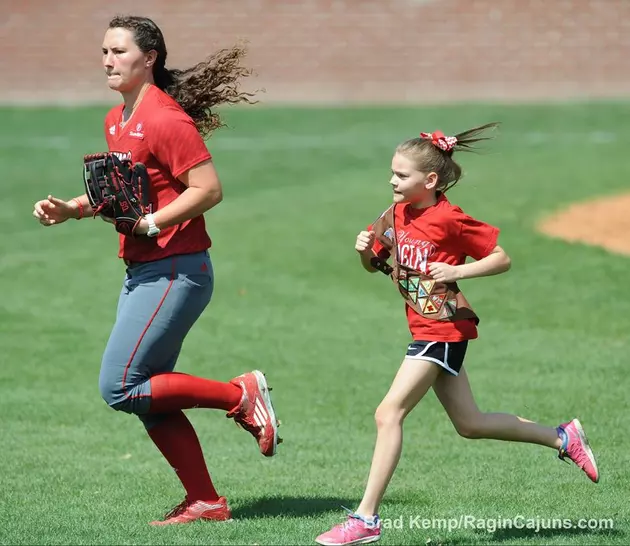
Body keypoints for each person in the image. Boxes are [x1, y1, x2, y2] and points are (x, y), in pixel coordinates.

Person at [32, 15, 281, 526]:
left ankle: (240, 394)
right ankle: (206, 502)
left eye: (119, 52)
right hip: (146, 270)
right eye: (104, 51)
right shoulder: (117, 118)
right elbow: (119, 195)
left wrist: (153, 223)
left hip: (175, 270)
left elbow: (207, 189)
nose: (107, 60)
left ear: (150, 59)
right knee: (149, 391)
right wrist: (74, 208)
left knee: (120, 386)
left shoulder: (166, 119)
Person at [314, 125, 599, 546]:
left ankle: (366, 519)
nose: (392, 181)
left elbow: (501, 258)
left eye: (402, 176)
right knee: (470, 423)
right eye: (392, 173)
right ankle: (562, 437)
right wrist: (363, 252)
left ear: (429, 181)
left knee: (387, 413)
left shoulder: (449, 217)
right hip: (427, 326)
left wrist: (457, 271)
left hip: (443, 328)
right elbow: (378, 264)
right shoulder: (395, 214)